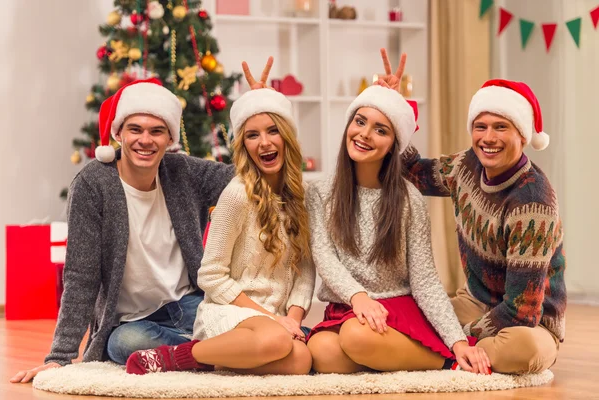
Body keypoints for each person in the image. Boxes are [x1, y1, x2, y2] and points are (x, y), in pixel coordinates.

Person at [11, 78, 234, 383]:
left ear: (169, 138)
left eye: (157, 131)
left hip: (189, 304)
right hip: (132, 323)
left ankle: (216, 351)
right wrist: (60, 358)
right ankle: (226, 354)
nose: (146, 140)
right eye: (136, 130)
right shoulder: (93, 185)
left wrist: (259, 111)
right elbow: (81, 276)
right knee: (123, 345)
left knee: (241, 322)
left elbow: (243, 179)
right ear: (118, 134)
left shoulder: (183, 172)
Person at [378, 50, 567, 374]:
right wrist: (393, 109)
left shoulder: (533, 203)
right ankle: (457, 355)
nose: (488, 138)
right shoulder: (467, 166)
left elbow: (522, 311)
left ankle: (443, 356)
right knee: (408, 313)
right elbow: (412, 172)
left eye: (501, 127)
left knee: (522, 351)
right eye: (481, 127)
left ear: (522, 134)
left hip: (529, 324)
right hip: (475, 302)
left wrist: (458, 338)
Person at [125, 59, 316, 376]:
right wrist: (270, 320)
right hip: (230, 311)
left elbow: (306, 272)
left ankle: (221, 358)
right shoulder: (238, 194)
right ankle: (179, 355)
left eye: (272, 131)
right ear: (244, 145)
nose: (264, 143)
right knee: (276, 342)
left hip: (276, 319)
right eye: (252, 135)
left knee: (300, 360)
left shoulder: (306, 196)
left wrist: (292, 320)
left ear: (288, 138)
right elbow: (211, 276)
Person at [305, 53, 490, 375]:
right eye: (359, 121)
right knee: (321, 352)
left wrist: (457, 341)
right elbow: (324, 256)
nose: (364, 134)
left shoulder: (409, 200)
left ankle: (446, 358)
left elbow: (425, 280)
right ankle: (387, 356)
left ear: (393, 145)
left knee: (355, 337)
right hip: (348, 306)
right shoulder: (320, 192)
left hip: (395, 307)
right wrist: (358, 297)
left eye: (380, 130)